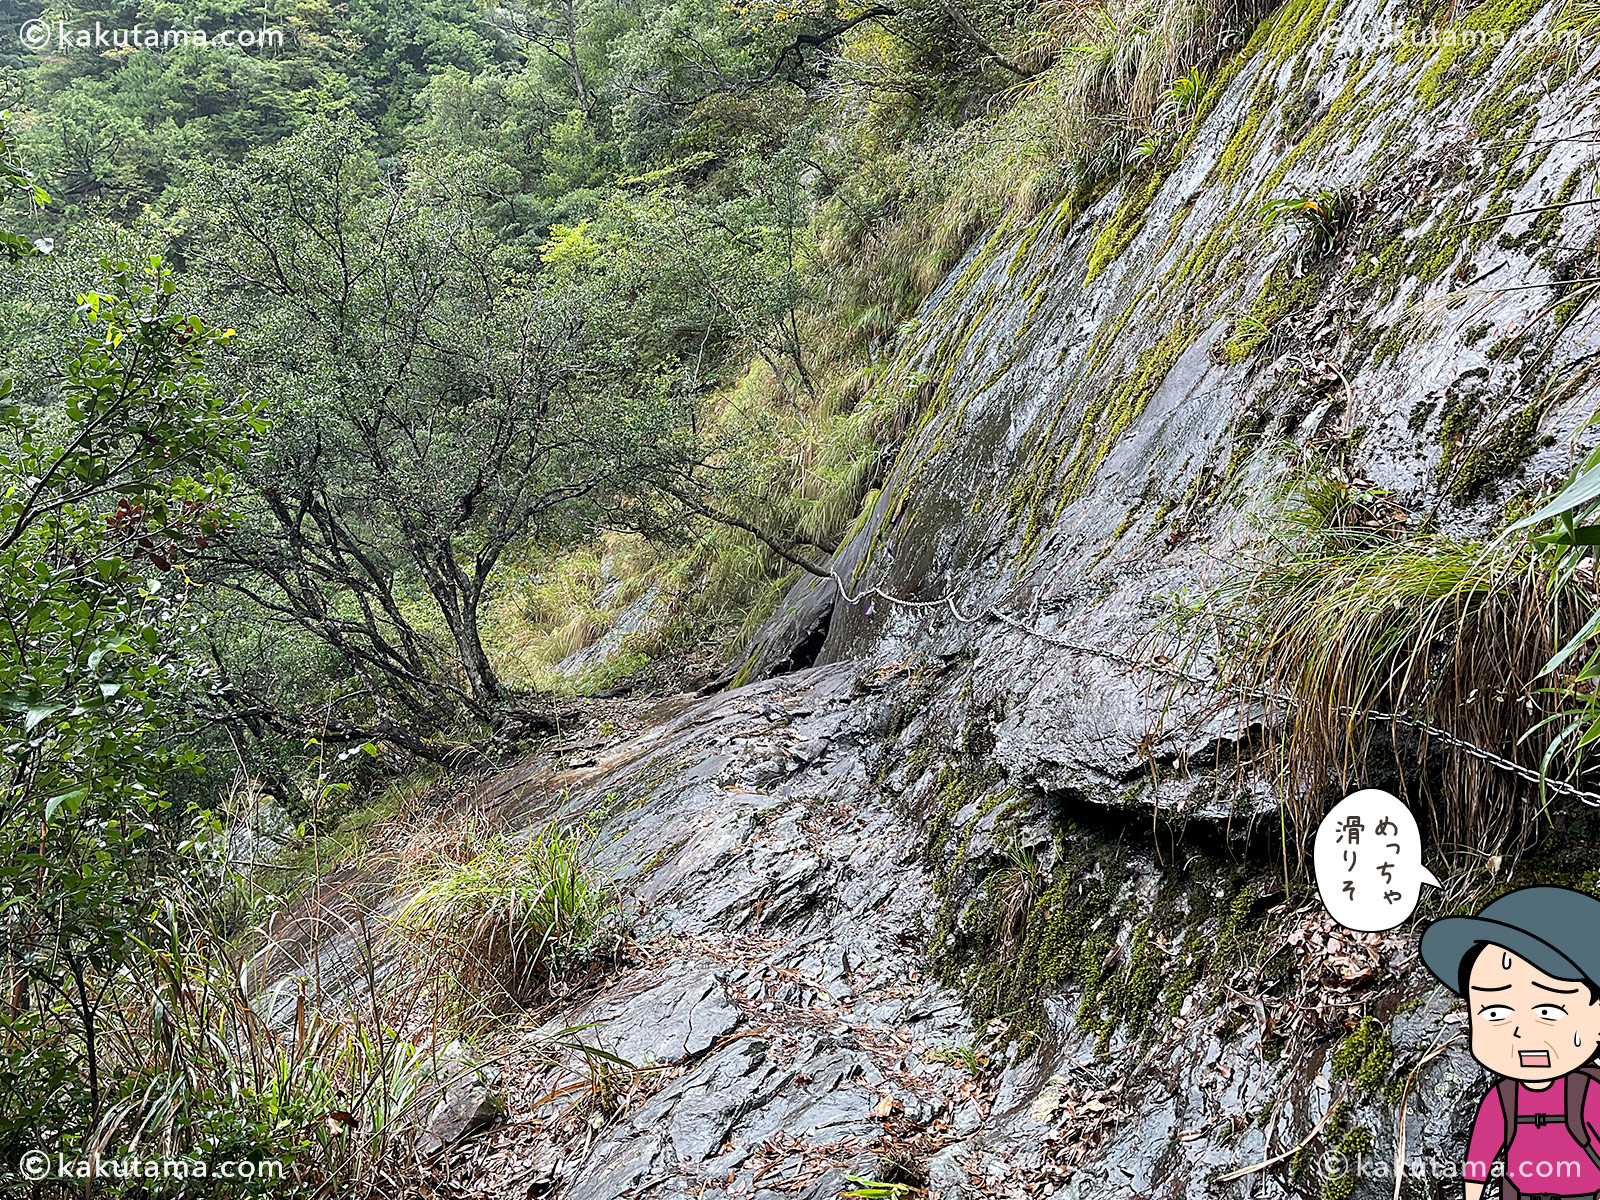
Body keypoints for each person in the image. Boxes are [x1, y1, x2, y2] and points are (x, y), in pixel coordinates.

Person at [1421, 886, 1600, 1200]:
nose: (1520, 1032)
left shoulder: (1588, 1092)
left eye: (1548, 1011)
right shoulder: (1503, 1098)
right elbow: (1479, 1158)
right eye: (1495, 1012)